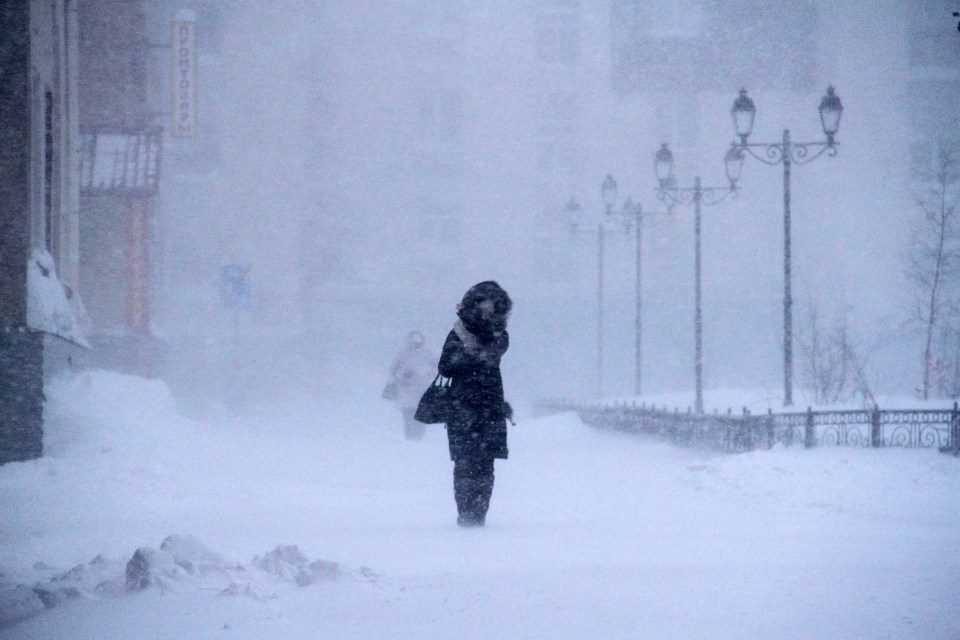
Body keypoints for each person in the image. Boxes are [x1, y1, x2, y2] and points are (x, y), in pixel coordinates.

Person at [437, 281, 513, 527]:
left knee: (485, 465)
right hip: (462, 406)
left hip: (489, 408)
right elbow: (446, 366)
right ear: (475, 304)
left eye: (493, 306)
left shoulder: (499, 335)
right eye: (484, 304)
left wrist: (474, 350)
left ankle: (478, 515)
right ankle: (465, 514)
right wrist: (472, 353)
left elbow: (491, 355)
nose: (488, 311)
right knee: (464, 463)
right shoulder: (457, 332)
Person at [386, 331, 437, 440]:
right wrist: (404, 374)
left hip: (420, 393)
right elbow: (393, 371)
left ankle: (418, 438)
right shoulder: (402, 354)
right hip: (406, 394)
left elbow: (435, 369)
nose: (415, 345)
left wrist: (423, 373)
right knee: (409, 417)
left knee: (419, 418)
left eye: (417, 343)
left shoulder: (427, 354)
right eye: (413, 343)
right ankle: (410, 438)